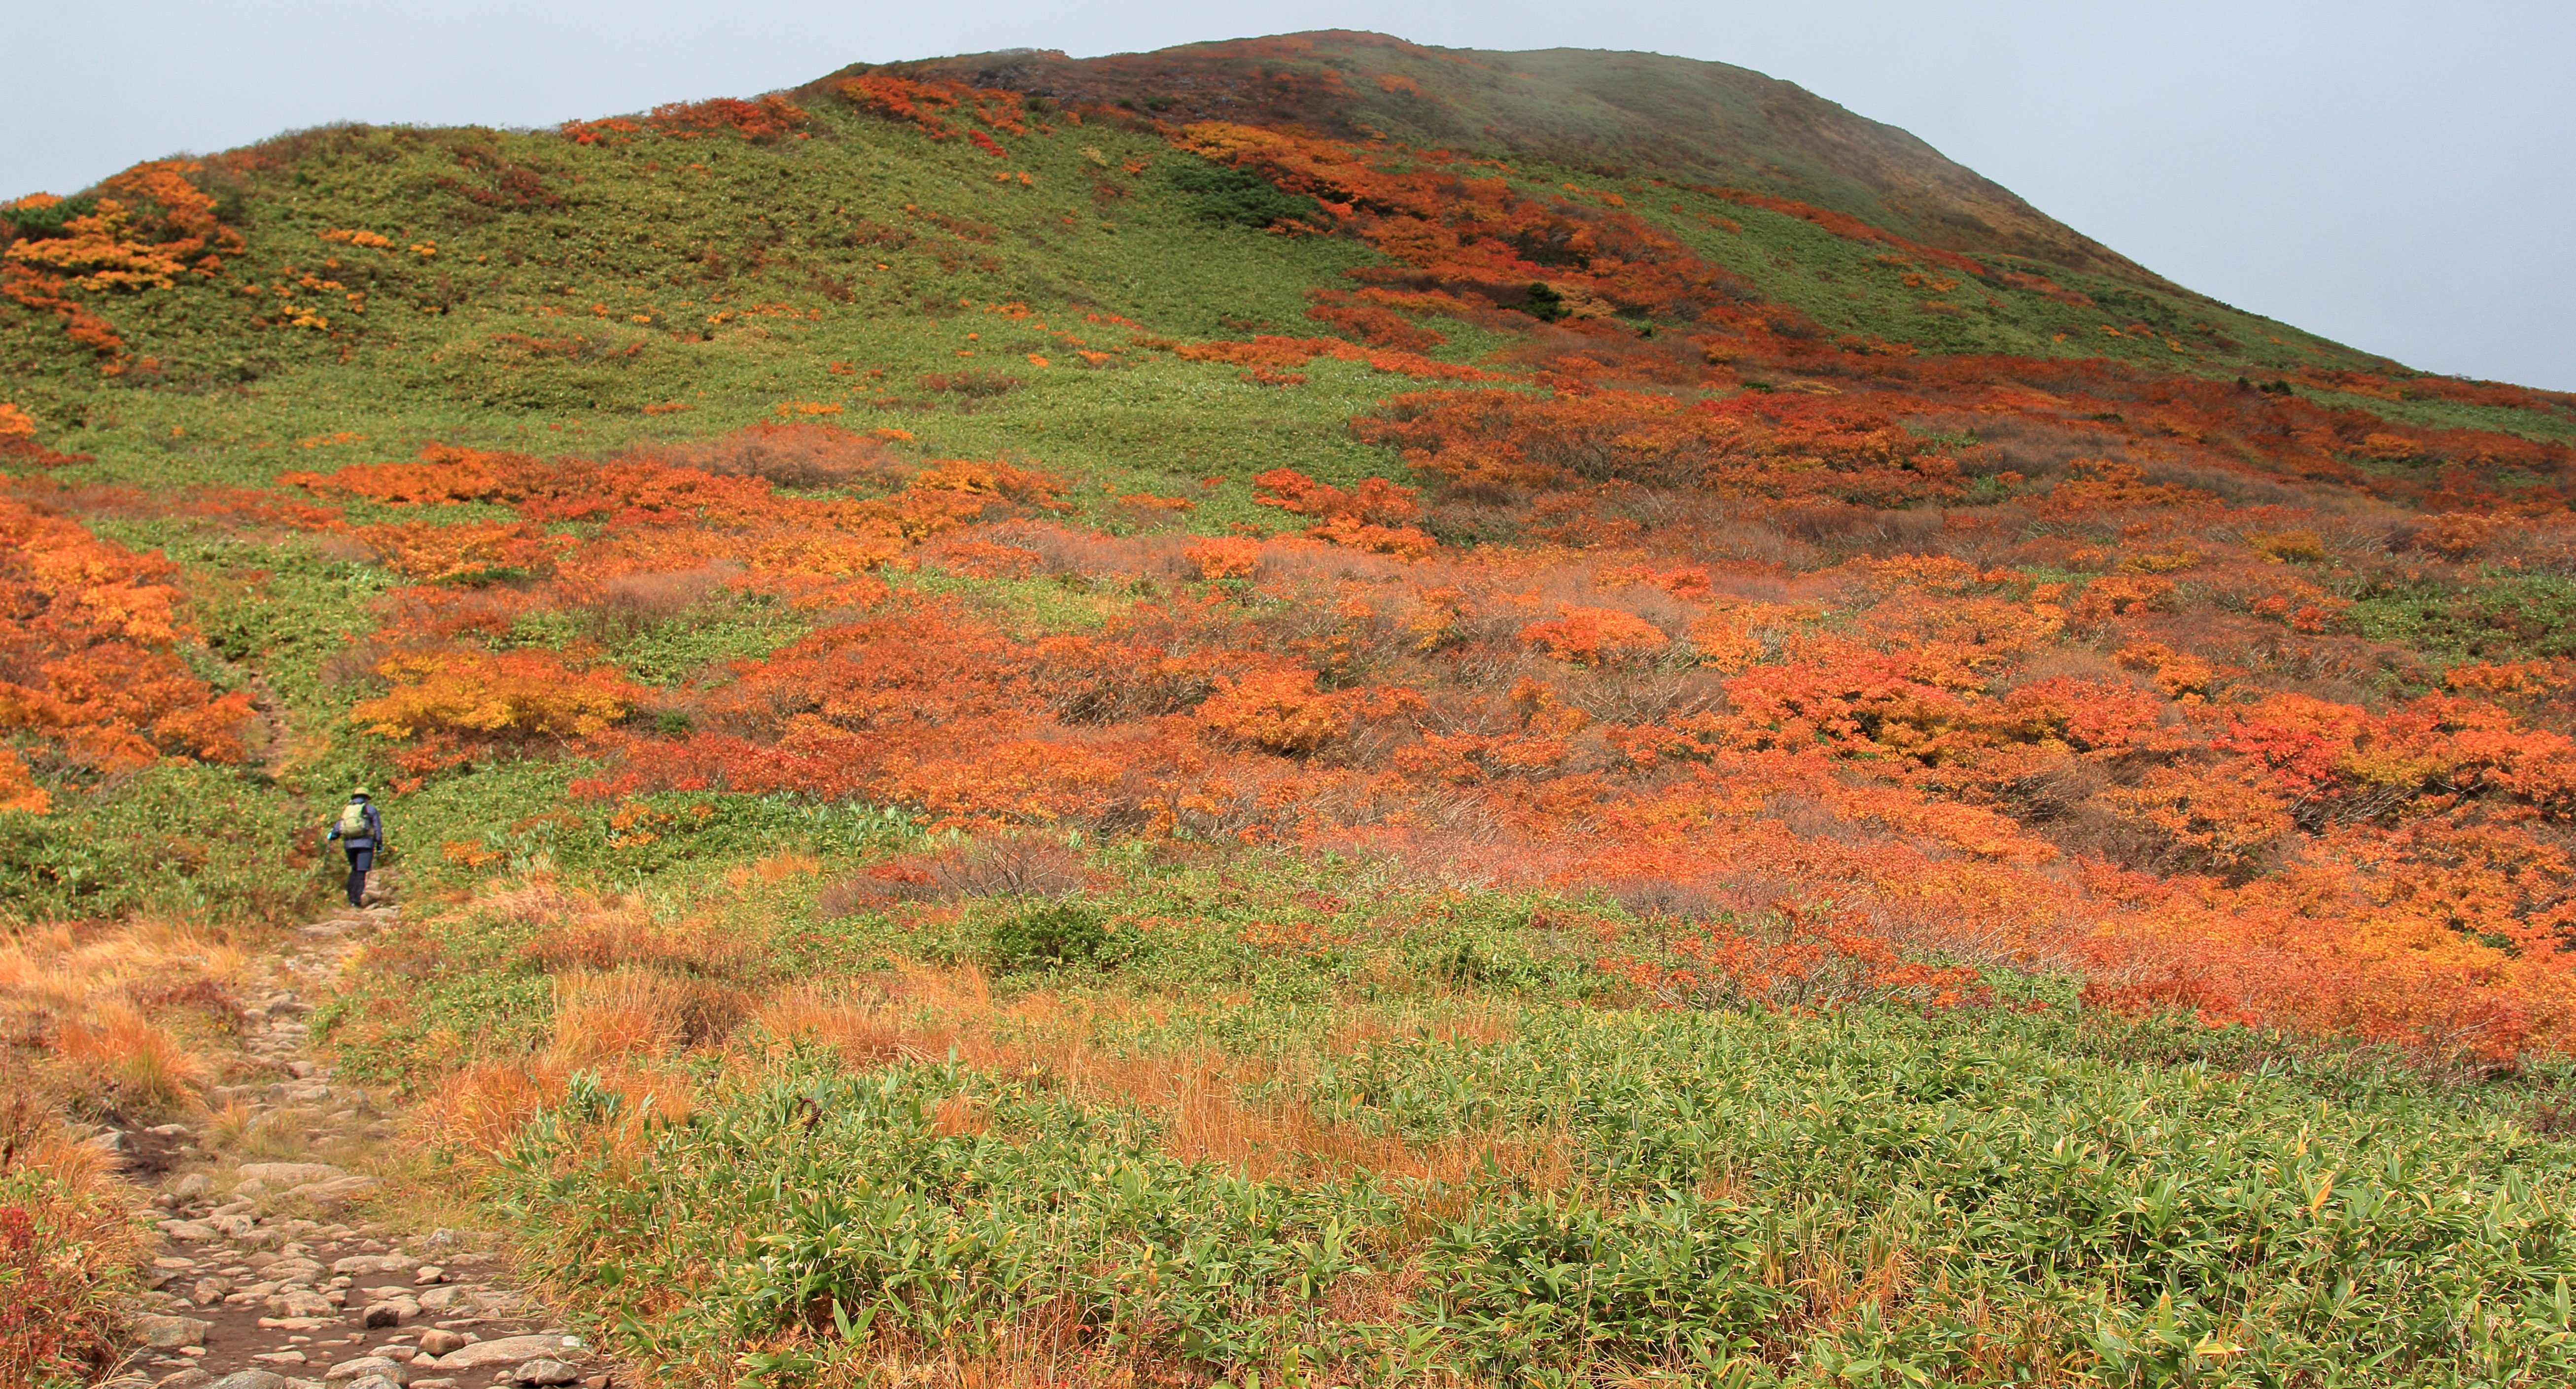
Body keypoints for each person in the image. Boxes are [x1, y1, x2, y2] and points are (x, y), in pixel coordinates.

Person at [324, 789, 385, 908]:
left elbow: (339, 827)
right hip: (366, 845)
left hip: (349, 844)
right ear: (366, 798)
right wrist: (379, 843)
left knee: (354, 869)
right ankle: (356, 900)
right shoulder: (371, 809)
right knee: (361, 871)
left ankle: (350, 897)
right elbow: (377, 828)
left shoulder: (348, 810)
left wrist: (333, 836)